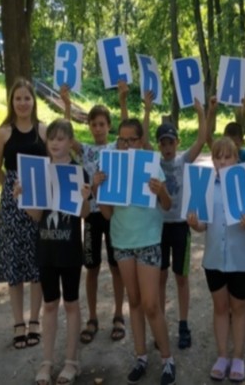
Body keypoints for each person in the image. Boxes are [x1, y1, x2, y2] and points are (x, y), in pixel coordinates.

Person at [95, 117, 176, 385]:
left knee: (152, 304)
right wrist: (97, 189)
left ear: (141, 141)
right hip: (122, 241)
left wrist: (161, 190)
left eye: (131, 139)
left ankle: (167, 359)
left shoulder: (151, 164)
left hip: (149, 239)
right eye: (121, 139)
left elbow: (166, 205)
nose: (126, 144)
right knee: (135, 301)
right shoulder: (110, 165)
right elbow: (106, 214)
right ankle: (140, 356)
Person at [13, 118, 90, 385]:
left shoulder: (79, 172)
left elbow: (84, 214)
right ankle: (47, 361)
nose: (55, 143)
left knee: (70, 303)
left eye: (61, 138)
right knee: (49, 305)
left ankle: (71, 361)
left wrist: (85, 196)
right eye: (52, 139)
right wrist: (23, 198)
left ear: (70, 142)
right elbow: (36, 216)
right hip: (45, 249)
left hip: (69, 250)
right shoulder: (40, 172)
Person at [187, 137, 245, 383]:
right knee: (220, 308)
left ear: (236, 159)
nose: (222, 161)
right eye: (217, 157)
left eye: (227, 156)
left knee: (239, 309)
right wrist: (194, 223)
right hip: (214, 261)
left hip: (240, 261)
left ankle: (238, 357)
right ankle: (222, 356)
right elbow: (202, 226)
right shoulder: (206, 186)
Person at [60, 85, 126, 345]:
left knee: (116, 267)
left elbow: (127, 130)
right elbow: (65, 135)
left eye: (101, 124)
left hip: (113, 215)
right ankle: (93, 317)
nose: (97, 128)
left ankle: (119, 315)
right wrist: (66, 104)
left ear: (109, 126)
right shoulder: (85, 151)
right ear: (88, 126)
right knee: (92, 268)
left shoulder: (116, 147)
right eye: (93, 124)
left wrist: (122, 100)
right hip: (91, 217)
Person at [0, 78, 47, 349]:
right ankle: (18, 322)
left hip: (38, 203)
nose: (23, 103)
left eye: (27, 98)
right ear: (11, 102)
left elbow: (54, 163)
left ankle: (35, 319)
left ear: (33, 101)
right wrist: (10, 188)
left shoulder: (43, 131)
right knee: (14, 264)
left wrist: (38, 193)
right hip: (12, 206)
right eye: (18, 98)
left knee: (36, 263)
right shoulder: (3, 133)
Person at [206, 95, 245, 335]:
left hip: (242, 217)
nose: (232, 146)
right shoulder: (219, 166)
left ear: (240, 144)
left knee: (240, 265)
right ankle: (232, 310)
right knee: (224, 262)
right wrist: (211, 113)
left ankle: (243, 310)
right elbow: (208, 139)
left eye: (236, 142)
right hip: (220, 227)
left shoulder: (244, 158)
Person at [154, 98, 206, 350]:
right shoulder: (153, 164)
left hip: (181, 227)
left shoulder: (184, 161)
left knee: (181, 277)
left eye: (170, 142)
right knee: (161, 277)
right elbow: (138, 142)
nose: (167, 147)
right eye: (162, 143)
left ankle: (183, 324)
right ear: (158, 145)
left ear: (177, 143)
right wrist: (145, 109)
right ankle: (160, 324)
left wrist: (201, 112)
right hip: (159, 228)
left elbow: (202, 138)